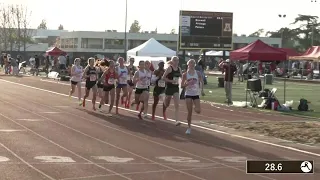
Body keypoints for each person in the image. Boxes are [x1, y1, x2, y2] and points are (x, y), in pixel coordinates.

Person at [181, 59, 205, 134]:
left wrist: (202, 90)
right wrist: (187, 84)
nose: (191, 65)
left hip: (196, 94)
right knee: (189, 112)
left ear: (194, 65)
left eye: (193, 64)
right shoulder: (185, 74)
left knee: (198, 111)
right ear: (188, 65)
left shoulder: (198, 73)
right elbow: (182, 85)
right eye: (190, 64)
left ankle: (195, 106)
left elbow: (202, 81)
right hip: (188, 94)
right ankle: (189, 127)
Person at [162, 56, 182, 125]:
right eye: (175, 60)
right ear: (172, 61)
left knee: (177, 105)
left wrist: (183, 82)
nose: (176, 62)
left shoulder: (179, 69)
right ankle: (164, 100)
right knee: (167, 104)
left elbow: (182, 77)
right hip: (169, 87)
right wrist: (171, 81)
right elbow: (163, 78)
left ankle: (177, 120)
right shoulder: (169, 69)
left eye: (177, 60)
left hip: (176, 88)